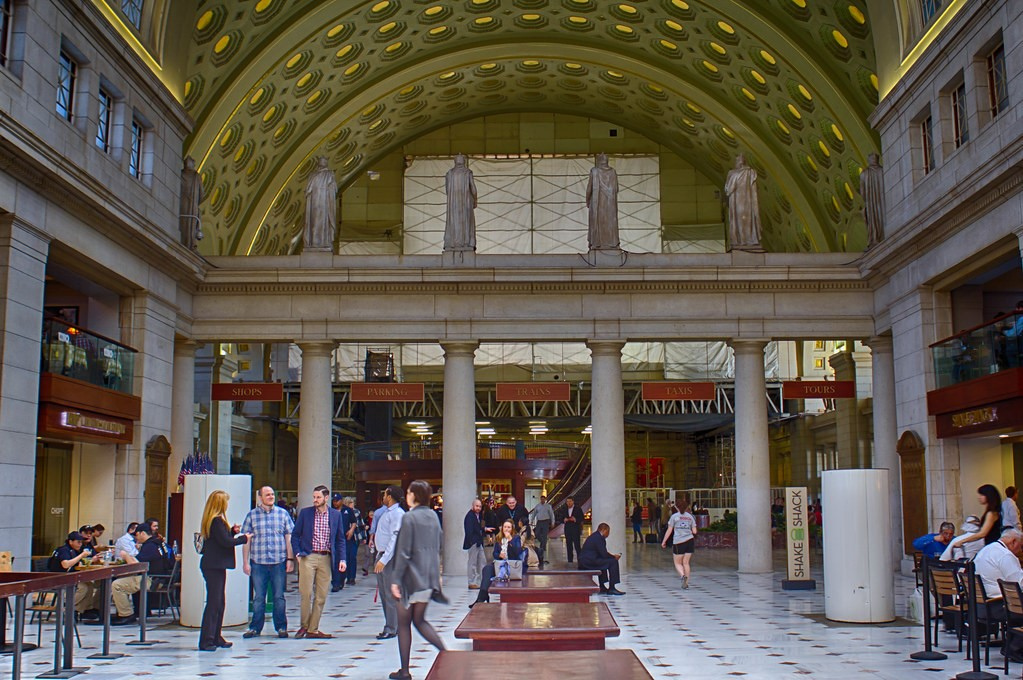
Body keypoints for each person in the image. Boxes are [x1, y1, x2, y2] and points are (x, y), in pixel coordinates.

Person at [388, 480, 446, 680]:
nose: (407, 495)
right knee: (419, 620)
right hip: (427, 577)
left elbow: (403, 552)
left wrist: (395, 580)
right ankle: (447, 654)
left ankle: (405, 671)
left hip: (409, 579)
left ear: (414, 495)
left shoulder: (409, 517)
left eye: (408, 492)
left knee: (404, 623)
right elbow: (438, 545)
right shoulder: (433, 516)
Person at [291, 485, 347, 639]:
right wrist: (297, 553)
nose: (315, 500)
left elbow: (340, 539)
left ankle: (313, 629)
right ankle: (304, 626)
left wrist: (342, 559)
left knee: (321, 595)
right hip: (308, 556)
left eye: (318, 497)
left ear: (326, 498)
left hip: (326, 557)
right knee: (306, 593)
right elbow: (295, 535)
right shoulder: (306, 513)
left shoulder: (335, 515)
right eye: (314, 497)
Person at [198, 490, 250, 651]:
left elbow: (221, 538)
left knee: (219, 602)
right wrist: (243, 538)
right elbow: (225, 542)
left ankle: (216, 636)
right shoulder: (216, 521)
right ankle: (207, 640)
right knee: (214, 603)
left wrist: (232, 532)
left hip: (215, 565)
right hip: (213, 566)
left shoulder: (215, 521)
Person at [241, 486, 295, 639]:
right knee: (259, 597)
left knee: (279, 596)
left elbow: (289, 537)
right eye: (267, 495)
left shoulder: (282, 514)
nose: (271, 497)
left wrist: (290, 559)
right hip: (258, 562)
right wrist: (245, 562)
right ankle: (255, 628)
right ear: (260, 497)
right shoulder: (252, 515)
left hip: (278, 561)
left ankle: (281, 627)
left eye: (272, 494)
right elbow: (246, 540)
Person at [111, 521, 173, 625]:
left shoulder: (149, 546)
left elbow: (135, 566)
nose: (136, 538)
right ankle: (128, 612)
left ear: (142, 533)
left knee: (117, 585)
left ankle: (126, 615)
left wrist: (125, 556)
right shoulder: (159, 543)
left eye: (136, 535)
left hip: (152, 580)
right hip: (162, 578)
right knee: (125, 580)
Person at [471, 519, 529, 607]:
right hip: (500, 564)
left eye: (509, 527)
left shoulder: (516, 538)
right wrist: (499, 555)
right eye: (505, 527)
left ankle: (482, 597)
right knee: (487, 569)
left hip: (512, 565)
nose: (506, 529)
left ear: (512, 529)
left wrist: (510, 539)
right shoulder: (499, 538)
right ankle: (482, 596)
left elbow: (517, 552)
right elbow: (494, 553)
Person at [373, 485, 405, 641]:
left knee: (390, 594)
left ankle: (392, 627)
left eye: (385, 494)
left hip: (390, 558)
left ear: (390, 497)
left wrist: (384, 559)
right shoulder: (387, 513)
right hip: (382, 555)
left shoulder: (397, 514)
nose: (383, 497)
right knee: (384, 594)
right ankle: (392, 625)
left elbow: (395, 538)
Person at [49, 531, 99, 620]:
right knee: (83, 587)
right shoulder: (64, 550)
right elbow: (66, 565)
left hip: (69, 576)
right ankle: (67, 607)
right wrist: (81, 555)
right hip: (57, 578)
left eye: (81, 542)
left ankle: (77, 610)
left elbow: (78, 563)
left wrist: (91, 560)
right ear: (70, 541)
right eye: (78, 542)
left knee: (89, 585)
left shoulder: (75, 550)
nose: (80, 544)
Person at [973, 528, 1023, 615]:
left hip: (981, 606)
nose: (1021, 550)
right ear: (1013, 542)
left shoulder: (985, 550)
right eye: (1021, 546)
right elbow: (1019, 584)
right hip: (1001, 606)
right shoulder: (1005, 555)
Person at [725, 153, 762, 251]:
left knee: (742, 219)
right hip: (741, 201)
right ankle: (745, 239)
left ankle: (744, 240)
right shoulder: (749, 172)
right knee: (743, 219)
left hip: (741, 201)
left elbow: (727, 188)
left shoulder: (748, 172)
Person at [443, 153, 477, 253]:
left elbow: (447, 190)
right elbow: (473, 189)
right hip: (466, 202)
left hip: (453, 203)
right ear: (464, 161)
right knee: (466, 221)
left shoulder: (450, 173)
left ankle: (453, 242)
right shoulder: (468, 172)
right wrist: (475, 200)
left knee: (454, 222)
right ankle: (467, 242)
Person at [586, 152, 620, 250]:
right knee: (610, 223)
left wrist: (587, 200)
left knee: (597, 222)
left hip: (597, 204)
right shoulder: (613, 172)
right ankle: (612, 243)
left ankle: (596, 243)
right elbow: (616, 188)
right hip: (610, 204)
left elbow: (589, 189)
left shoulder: (594, 171)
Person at [579, 523, 624, 595]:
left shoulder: (595, 536)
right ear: (603, 530)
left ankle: (602, 586)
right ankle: (612, 588)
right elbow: (604, 554)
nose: (608, 534)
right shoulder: (599, 538)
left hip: (586, 561)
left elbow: (602, 553)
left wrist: (612, 556)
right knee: (613, 562)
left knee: (603, 562)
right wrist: (614, 557)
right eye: (608, 532)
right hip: (588, 562)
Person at [303, 156, 337, 251]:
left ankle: (324, 242)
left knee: (323, 222)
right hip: (314, 202)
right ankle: (314, 242)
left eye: (324, 162)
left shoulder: (329, 174)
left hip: (324, 202)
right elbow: (308, 189)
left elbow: (333, 188)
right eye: (321, 162)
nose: (322, 164)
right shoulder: (312, 174)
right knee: (314, 222)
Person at [662, 500, 698, 589]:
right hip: (690, 541)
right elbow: (694, 531)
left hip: (678, 542)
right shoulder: (690, 517)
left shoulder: (674, 517)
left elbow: (669, 530)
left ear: (677, 507)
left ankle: (682, 576)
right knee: (686, 563)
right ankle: (686, 583)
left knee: (677, 563)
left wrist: (664, 541)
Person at [957, 484, 1004, 549]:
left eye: (982, 495)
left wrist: (962, 541)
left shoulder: (991, 513)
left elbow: (983, 533)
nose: (979, 497)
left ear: (988, 496)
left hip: (993, 545)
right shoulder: (992, 512)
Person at [330, 492, 356, 592]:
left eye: (337, 501)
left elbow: (354, 522)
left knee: (345, 559)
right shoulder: (331, 511)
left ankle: (342, 580)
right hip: (335, 539)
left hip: (346, 539)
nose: (335, 503)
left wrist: (351, 530)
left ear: (341, 501)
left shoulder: (348, 510)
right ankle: (335, 583)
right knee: (335, 561)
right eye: (334, 501)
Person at [859, 152, 885, 248]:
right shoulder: (883, 171)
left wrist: (867, 200)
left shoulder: (864, 173)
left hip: (871, 204)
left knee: (873, 218)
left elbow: (862, 192)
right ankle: (883, 234)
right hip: (883, 203)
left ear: (869, 160)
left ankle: (875, 237)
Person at [179, 155, 205, 249]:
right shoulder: (196, 176)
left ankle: (182, 241)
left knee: (182, 223)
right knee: (191, 224)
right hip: (192, 205)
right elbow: (201, 194)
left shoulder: (180, 174)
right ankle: (190, 243)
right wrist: (196, 202)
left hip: (182, 204)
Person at [463, 498, 486, 589]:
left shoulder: (478, 516)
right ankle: (471, 582)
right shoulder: (470, 516)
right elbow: (469, 531)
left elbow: (478, 528)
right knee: (472, 563)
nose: (478, 508)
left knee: (482, 561)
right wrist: (472, 542)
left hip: (478, 542)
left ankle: (482, 581)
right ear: (472, 506)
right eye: (477, 506)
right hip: (473, 542)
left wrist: (484, 529)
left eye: (480, 506)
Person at [530, 495, 555, 568]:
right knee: (537, 534)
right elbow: (534, 513)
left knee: (544, 534)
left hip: (546, 521)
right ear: (540, 499)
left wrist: (553, 522)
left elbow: (552, 514)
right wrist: (531, 520)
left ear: (545, 499)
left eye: (543, 499)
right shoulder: (537, 506)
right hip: (539, 521)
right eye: (541, 499)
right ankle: (542, 542)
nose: (542, 500)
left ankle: (543, 547)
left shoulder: (548, 506)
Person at [343, 497, 360, 586]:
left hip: (354, 538)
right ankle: (346, 576)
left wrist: (364, 537)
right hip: (345, 538)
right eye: (350, 502)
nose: (352, 504)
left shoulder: (356, 512)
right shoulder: (343, 512)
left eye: (353, 502)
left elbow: (360, 524)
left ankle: (352, 577)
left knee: (352, 557)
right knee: (346, 557)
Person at [561, 497, 584, 563]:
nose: (569, 503)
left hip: (575, 529)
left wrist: (575, 519)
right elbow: (560, 518)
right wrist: (564, 519)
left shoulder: (578, 509)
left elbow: (581, 518)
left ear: (573, 502)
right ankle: (570, 560)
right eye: (567, 502)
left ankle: (580, 560)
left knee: (577, 545)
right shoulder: (564, 509)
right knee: (569, 545)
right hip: (568, 529)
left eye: (570, 501)